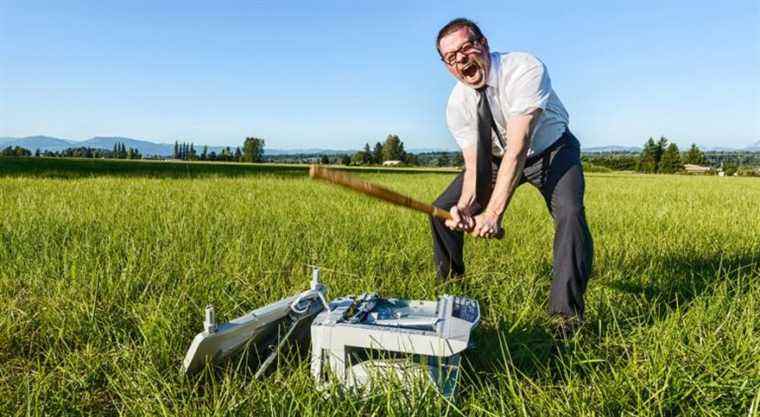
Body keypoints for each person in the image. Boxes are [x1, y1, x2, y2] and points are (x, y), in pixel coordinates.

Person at [430, 18, 594, 338]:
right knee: (443, 212)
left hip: (551, 151)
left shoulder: (522, 69)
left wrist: (493, 214)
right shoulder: (457, 103)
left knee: (570, 214)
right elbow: (475, 165)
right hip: (493, 159)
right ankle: (451, 297)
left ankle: (566, 318)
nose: (461, 59)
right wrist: (467, 205)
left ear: (484, 44)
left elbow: (518, 148)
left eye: (466, 48)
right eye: (452, 57)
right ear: (447, 65)